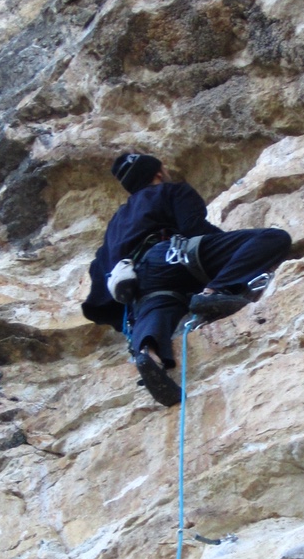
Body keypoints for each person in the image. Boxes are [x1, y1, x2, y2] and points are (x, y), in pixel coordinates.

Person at [82, 151, 292, 406]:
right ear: (158, 172)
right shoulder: (171, 191)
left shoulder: (116, 223)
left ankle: (150, 356)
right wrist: (223, 249)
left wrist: (121, 315)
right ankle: (214, 292)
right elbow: (193, 227)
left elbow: (98, 273)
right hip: (170, 255)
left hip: (138, 281)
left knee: (156, 308)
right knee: (272, 238)